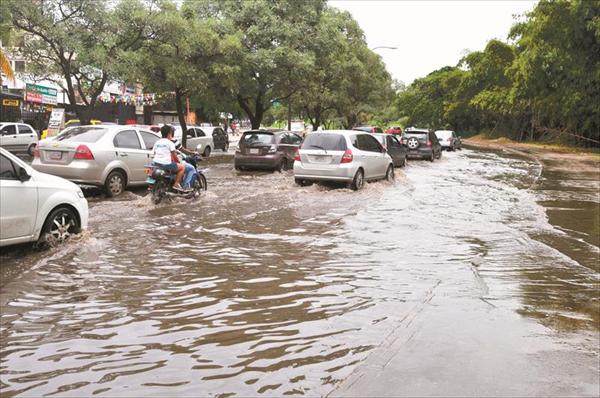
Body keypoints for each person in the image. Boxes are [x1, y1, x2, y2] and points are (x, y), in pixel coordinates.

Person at [152, 125, 188, 191]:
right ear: (169, 134)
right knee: (182, 167)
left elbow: (154, 153)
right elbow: (174, 156)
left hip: (156, 164)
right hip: (166, 164)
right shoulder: (170, 143)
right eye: (171, 133)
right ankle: (176, 184)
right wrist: (178, 162)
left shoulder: (157, 142)